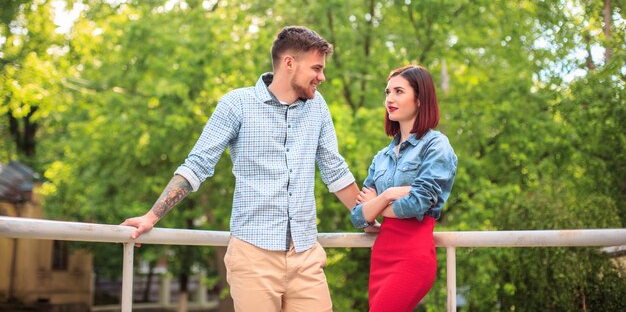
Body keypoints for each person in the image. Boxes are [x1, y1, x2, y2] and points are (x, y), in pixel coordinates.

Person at [122, 26, 365, 312]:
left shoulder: (317, 107)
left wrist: (368, 217)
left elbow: (334, 170)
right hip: (253, 257)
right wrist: (152, 215)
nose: (322, 77)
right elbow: (198, 165)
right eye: (316, 68)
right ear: (289, 63)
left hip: (306, 256)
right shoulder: (236, 104)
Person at [350, 64, 457, 312]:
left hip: (413, 256)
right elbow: (357, 216)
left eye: (399, 91)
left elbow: (418, 203)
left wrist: (375, 206)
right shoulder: (382, 157)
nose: (390, 99)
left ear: (420, 99)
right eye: (387, 92)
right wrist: (387, 195)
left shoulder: (436, 145)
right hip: (381, 256)